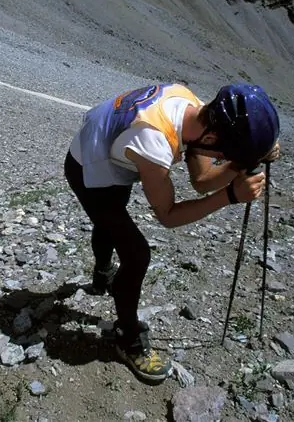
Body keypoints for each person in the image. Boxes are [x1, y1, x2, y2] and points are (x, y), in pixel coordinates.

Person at [64, 82, 280, 383]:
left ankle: (102, 274)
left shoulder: (194, 106)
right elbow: (168, 216)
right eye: (223, 154)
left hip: (107, 150)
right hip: (89, 168)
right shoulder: (153, 140)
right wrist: (230, 195)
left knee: (111, 221)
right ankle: (128, 338)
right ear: (212, 137)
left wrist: (248, 155)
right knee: (136, 252)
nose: (221, 158)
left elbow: (201, 179)